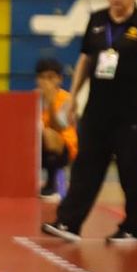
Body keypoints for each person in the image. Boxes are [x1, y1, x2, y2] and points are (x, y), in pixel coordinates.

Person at [42, 0, 137, 243]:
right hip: (97, 111)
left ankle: (133, 227)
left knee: (133, 172)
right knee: (85, 168)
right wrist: (73, 98)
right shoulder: (96, 20)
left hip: (132, 114)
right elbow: (85, 60)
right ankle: (69, 222)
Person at [35, 58, 78, 200]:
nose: (46, 82)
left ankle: (53, 184)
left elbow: (58, 127)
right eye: (42, 77)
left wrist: (51, 103)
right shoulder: (33, 98)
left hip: (64, 147)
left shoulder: (66, 99)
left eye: (50, 77)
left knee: (47, 133)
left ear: (59, 79)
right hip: (39, 145)